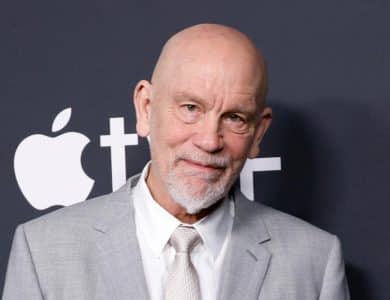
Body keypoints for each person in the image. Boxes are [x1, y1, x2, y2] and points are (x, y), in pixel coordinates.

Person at [2, 24, 350, 300]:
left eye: (235, 118)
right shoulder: (43, 253)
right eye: (190, 108)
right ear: (146, 108)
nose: (209, 140)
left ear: (258, 132)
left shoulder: (314, 263)